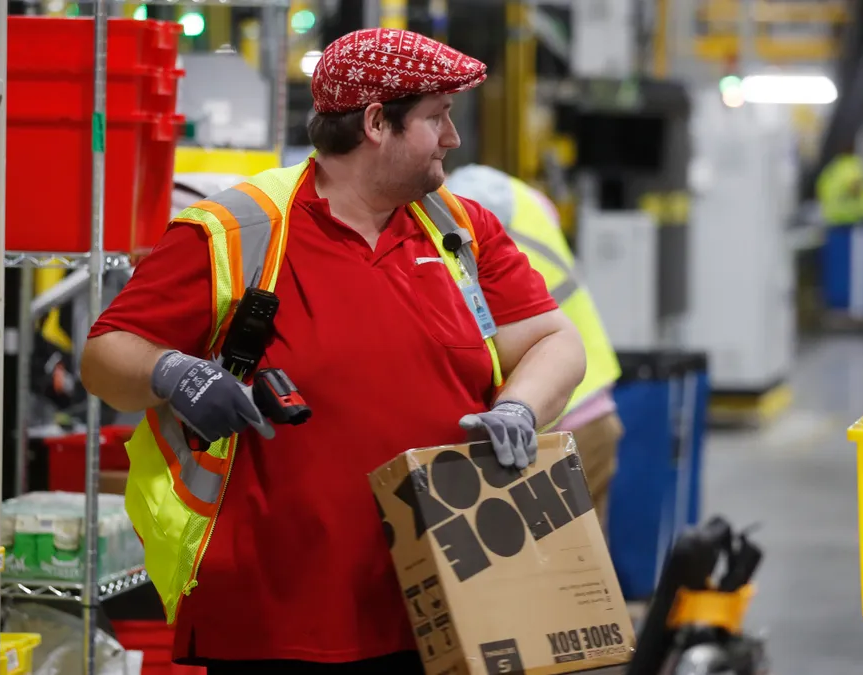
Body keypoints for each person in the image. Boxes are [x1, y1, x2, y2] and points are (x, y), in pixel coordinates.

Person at [80, 27, 586, 675]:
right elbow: (105, 354)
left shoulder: (459, 230)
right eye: (438, 118)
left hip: (441, 602)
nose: (453, 139)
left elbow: (553, 339)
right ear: (377, 122)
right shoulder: (240, 231)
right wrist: (171, 371)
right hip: (279, 618)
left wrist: (520, 407)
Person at [445, 165, 623, 528]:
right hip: (594, 405)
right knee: (584, 571)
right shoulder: (521, 196)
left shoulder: (466, 200)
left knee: (547, 573)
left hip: (555, 414)